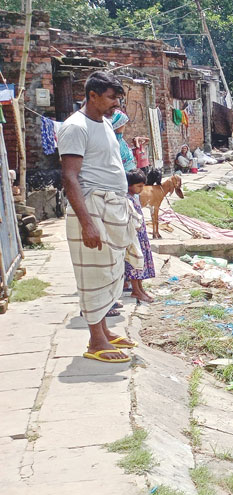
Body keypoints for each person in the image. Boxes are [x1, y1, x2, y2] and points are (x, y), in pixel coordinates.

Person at [57, 71, 138, 363]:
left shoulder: (103, 123)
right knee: (93, 275)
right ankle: (95, 341)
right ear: (92, 95)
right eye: (111, 97)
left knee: (110, 272)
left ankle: (104, 330)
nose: (116, 103)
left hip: (112, 207)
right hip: (92, 208)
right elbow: (70, 177)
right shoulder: (75, 127)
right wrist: (87, 223)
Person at [125, 169, 155, 303]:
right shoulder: (126, 199)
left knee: (140, 264)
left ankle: (140, 288)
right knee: (134, 264)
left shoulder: (134, 198)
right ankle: (136, 290)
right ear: (129, 185)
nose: (141, 189)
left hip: (141, 236)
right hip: (133, 236)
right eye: (139, 186)